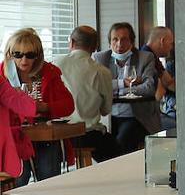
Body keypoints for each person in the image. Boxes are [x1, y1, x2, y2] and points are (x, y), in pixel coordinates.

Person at [4, 28, 75, 184]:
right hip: (13, 137)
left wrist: (43, 107)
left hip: (43, 135)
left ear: (38, 55)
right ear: (10, 54)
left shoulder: (48, 73)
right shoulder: (2, 74)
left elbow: (69, 105)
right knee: (18, 181)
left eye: (30, 55)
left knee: (48, 180)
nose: (24, 60)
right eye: (18, 54)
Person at [56, 26, 121, 163]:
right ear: (95, 46)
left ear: (72, 42)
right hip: (88, 135)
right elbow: (106, 110)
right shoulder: (102, 71)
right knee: (119, 155)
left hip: (59, 137)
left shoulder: (54, 65)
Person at [94, 22, 160, 153]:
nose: (119, 44)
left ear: (132, 41)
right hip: (107, 117)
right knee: (96, 143)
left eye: (124, 39)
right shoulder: (101, 58)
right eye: (115, 39)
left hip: (137, 116)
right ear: (109, 42)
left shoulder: (145, 57)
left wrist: (113, 88)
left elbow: (148, 88)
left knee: (121, 142)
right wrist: (123, 83)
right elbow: (98, 87)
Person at [141, 26, 176, 131]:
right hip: (145, 116)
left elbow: (168, 82)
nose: (171, 47)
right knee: (180, 127)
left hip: (150, 113)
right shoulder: (148, 57)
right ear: (162, 41)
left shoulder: (150, 55)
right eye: (170, 43)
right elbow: (159, 93)